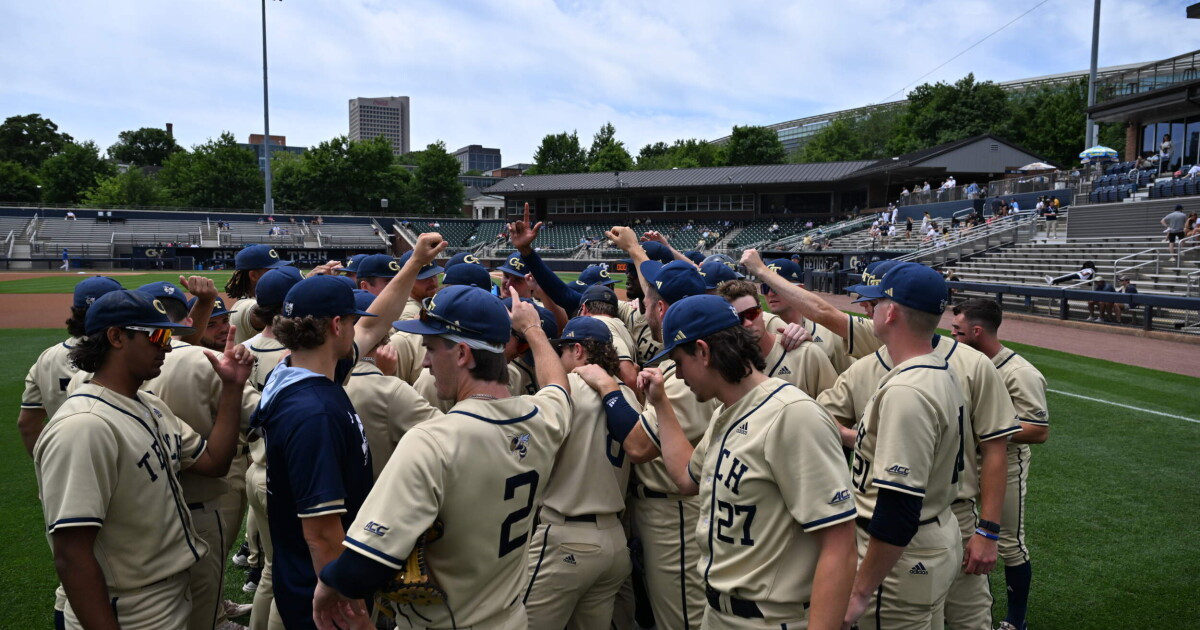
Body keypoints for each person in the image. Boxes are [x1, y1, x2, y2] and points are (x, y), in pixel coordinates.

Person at [312, 284, 572, 630]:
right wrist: (534, 330)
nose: (425, 361)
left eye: (431, 348)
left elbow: (361, 569)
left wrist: (328, 585)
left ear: (462, 353)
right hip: (511, 617)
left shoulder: (432, 441)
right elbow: (558, 387)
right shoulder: (542, 420)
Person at [621, 294, 857, 630]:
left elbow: (840, 545)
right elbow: (687, 478)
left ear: (702, 352)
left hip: (772, 618)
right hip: (718, 613)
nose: (677, 374)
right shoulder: (725, 413)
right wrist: (659, 403)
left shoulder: (793, 415)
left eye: (678, 361)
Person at [251, 233, 446, 629]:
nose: (361, 328)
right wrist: (350, 609)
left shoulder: (296, 370)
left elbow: (376, 325)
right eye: (352, 320)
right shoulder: (314, 412)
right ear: (337, 325)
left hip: (305, 580)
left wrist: (414, 262)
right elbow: (321, 533)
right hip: (321, 597)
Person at [35, 289, 252, 630]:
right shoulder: (85, 427)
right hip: (129, 609)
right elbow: (72, 556)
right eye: (158, 335)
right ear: (116, 337)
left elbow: (213, 463)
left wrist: (232, 389)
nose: (167, 346)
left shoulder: (149, 405)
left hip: (167, 595)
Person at [837, 264, 967, 630]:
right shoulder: (938, 368)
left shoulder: (906, 391)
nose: (869, 310)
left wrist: (860, 592)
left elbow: (899, 508)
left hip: (898, 556)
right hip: (934, 532)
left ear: (891, 311)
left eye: (875, 303)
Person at [136, 280, 259, 630]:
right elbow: (261, 416)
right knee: (203, 607)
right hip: (200, 501)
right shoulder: (205, 361)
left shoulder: (98, 371)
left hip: (137, 505)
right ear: (186, 322)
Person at [522, 317, 642, 630]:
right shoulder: (625, 397)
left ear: (577, 350)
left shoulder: (567, 390)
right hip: (614, 542)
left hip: (566, 540)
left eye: (562, 350)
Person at [951, 299, 1049, 630]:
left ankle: (1015, 620)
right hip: (965, 464)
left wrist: (986, 427)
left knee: (1008, 543)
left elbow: (1038, 430)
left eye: (957, 330)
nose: (952, 336)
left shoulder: (1019, 372)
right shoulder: (964, 362)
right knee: (960, 534)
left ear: (977, 331)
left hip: (1006, 466)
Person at [716, 279, 837, 398]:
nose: (748, 323)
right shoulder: (725, 369)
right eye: (739, 318)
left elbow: (838, 413)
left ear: (762, 311)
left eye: (752, 313)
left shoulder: (807, 355)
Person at [226, 245, 295, 345]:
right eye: (274, 269)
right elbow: (264, 311)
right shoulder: (243, 305)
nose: (282, 272)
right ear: (253, 275)